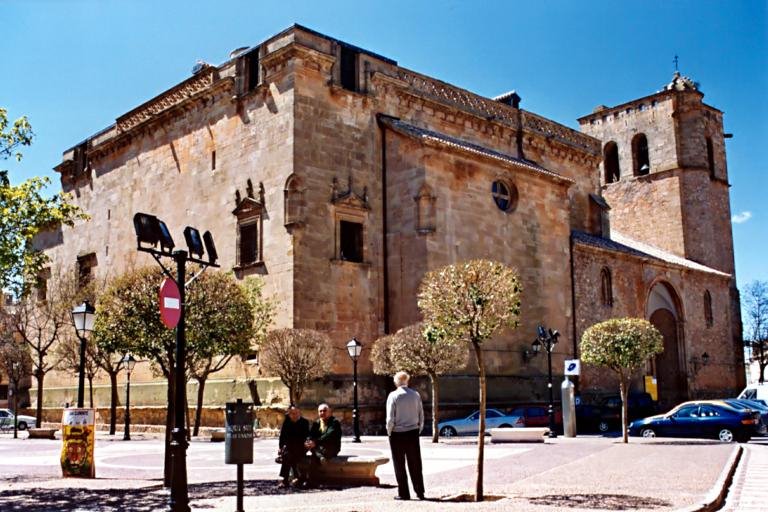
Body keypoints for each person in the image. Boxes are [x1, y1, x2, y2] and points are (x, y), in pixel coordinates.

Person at [386, 371, 425, 501]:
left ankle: (404, 493)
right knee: (415, 463)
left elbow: (390, 418)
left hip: (397, 433)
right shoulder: (416, 395)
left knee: (399, 464)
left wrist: (389, 431)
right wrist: (419, 429)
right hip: (413, 432)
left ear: (396, 382)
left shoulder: (393, 396)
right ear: (407, 381)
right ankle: (420, 491)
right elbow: (421, 415)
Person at [303, 403, 342, 486]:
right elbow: (311, 435)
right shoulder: (316, 423)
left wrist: (315, 442)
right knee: (312, 455)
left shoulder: (335, 422)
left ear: (329, 412)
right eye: (320, 411)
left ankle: (309, 480)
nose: (322, 413)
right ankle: (319, 456)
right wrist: (308, 441)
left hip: (331, 448)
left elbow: (328, 435)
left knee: (314, 456)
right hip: (319, 449)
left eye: (324, 411)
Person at [277, 404, 310, 488]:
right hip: (289, 447)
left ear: (299, 413)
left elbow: (307, 436)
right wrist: (280, 447)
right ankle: (298, 478)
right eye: (291, 413)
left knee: (289, 456)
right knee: (287, 455)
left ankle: (286, 479)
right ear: (289, 413)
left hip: (301, 447)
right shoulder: (287, 422)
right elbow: (282, 437)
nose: (293, 415)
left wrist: (307, 443)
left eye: (295, 413)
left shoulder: (304, 422)